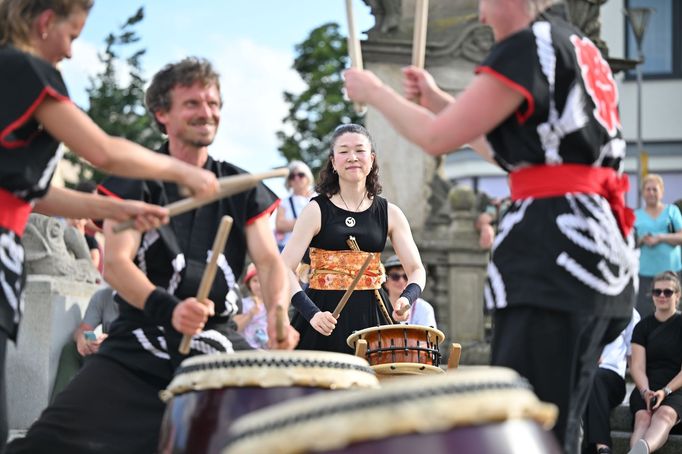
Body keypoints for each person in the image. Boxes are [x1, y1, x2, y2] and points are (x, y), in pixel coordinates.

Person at [344, 1, 638, 451]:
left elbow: (436, 137)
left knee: (525, 422)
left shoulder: (526, 46)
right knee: (560, 424)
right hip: (600, 259)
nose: (481, 15)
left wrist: (375, 91)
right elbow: (513, 152)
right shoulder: (573, 45)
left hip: (554, 260)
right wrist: (439, 100)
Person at [8, 56, 298, 453]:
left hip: (219, 343)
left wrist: (280, 314)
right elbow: (116, 263)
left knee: (295, 430)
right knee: (45, 445)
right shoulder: (133, 181)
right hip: (139, 342)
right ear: (162, 113)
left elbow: (268, 261)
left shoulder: (240, 185)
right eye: (192, 103)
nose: (206, 112)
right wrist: (169, 309)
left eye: (213, 104)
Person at [0, 1, 219, 449]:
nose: (70, 53)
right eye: (72, 36)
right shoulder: (22, 68)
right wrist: (179, 172)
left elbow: (29, 193)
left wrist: (118, 211)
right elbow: (101, 150)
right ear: (45, 23)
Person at [281, 123, 426, 354]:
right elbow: (284, 267)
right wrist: (312, 313)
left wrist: (407, 299)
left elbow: (417, 269)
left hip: (375, 313)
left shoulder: (390, 213)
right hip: (323, 317)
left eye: (359, 150)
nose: (352, 157)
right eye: (344, 151)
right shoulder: (316, 209)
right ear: (333, 161)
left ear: (371, 159)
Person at [628, 271, 682, 454]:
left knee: (665, 414)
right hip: (647, 386)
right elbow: (636, 366)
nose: (661, 296)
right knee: (643, 417)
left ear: (678, 295)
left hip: (677, 388)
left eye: (668, 292)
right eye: (657, 291)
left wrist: (665, 391)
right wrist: (645, 391)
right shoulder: (642, 327)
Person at [582, 308, 640, 454]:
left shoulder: (630, 314)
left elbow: (634, 360)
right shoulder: (580, 306)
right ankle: (601, 448)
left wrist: (642, 389)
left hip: (612, 380)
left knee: (594, 377)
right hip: (583, 376)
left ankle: (602, 445)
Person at [50, 286, 118, 402]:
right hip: (105, 353)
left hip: (131, 357)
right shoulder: (103, 296)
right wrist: (86, 339)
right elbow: (84, 330)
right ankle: (57, 408)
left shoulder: (147, 298)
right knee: (71, 349)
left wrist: (113, 343)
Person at [634, 174, 682, 318]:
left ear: (662, 191)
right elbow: (628, 244)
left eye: (655, 189)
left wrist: (660, 238)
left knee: (673, 315)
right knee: (645, 315)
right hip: (645, 275)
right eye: (648, 189)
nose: (651, 193)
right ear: (643, 192)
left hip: (671, 273)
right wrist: (641, 240)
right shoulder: (635, 215)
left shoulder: (672, 211)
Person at [383, 254, 436, 327]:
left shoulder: (424, 308)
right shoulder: (376, 307)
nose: (401, 281)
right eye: (395, 276)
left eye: (406, 276)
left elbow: (429, 337)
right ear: (385, 282)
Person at [274, 160, 316, 251]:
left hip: (314, 249)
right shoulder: (284, 202)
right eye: (292, 176)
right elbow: (279, 225)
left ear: (308, 177)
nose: (296, 178)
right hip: (289, 249)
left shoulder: (318, 197)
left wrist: (293, 223)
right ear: (289, 181)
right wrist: (309, 221)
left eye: (300, 175)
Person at [233, 263, 269, 349]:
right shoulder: (241, 303)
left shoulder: (273, 305)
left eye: (261, 281)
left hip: (266, 351)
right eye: (255, 281)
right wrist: (250, 315)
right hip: (244, 349)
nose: (258, 285)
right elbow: (234, 327)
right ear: (249, 283)